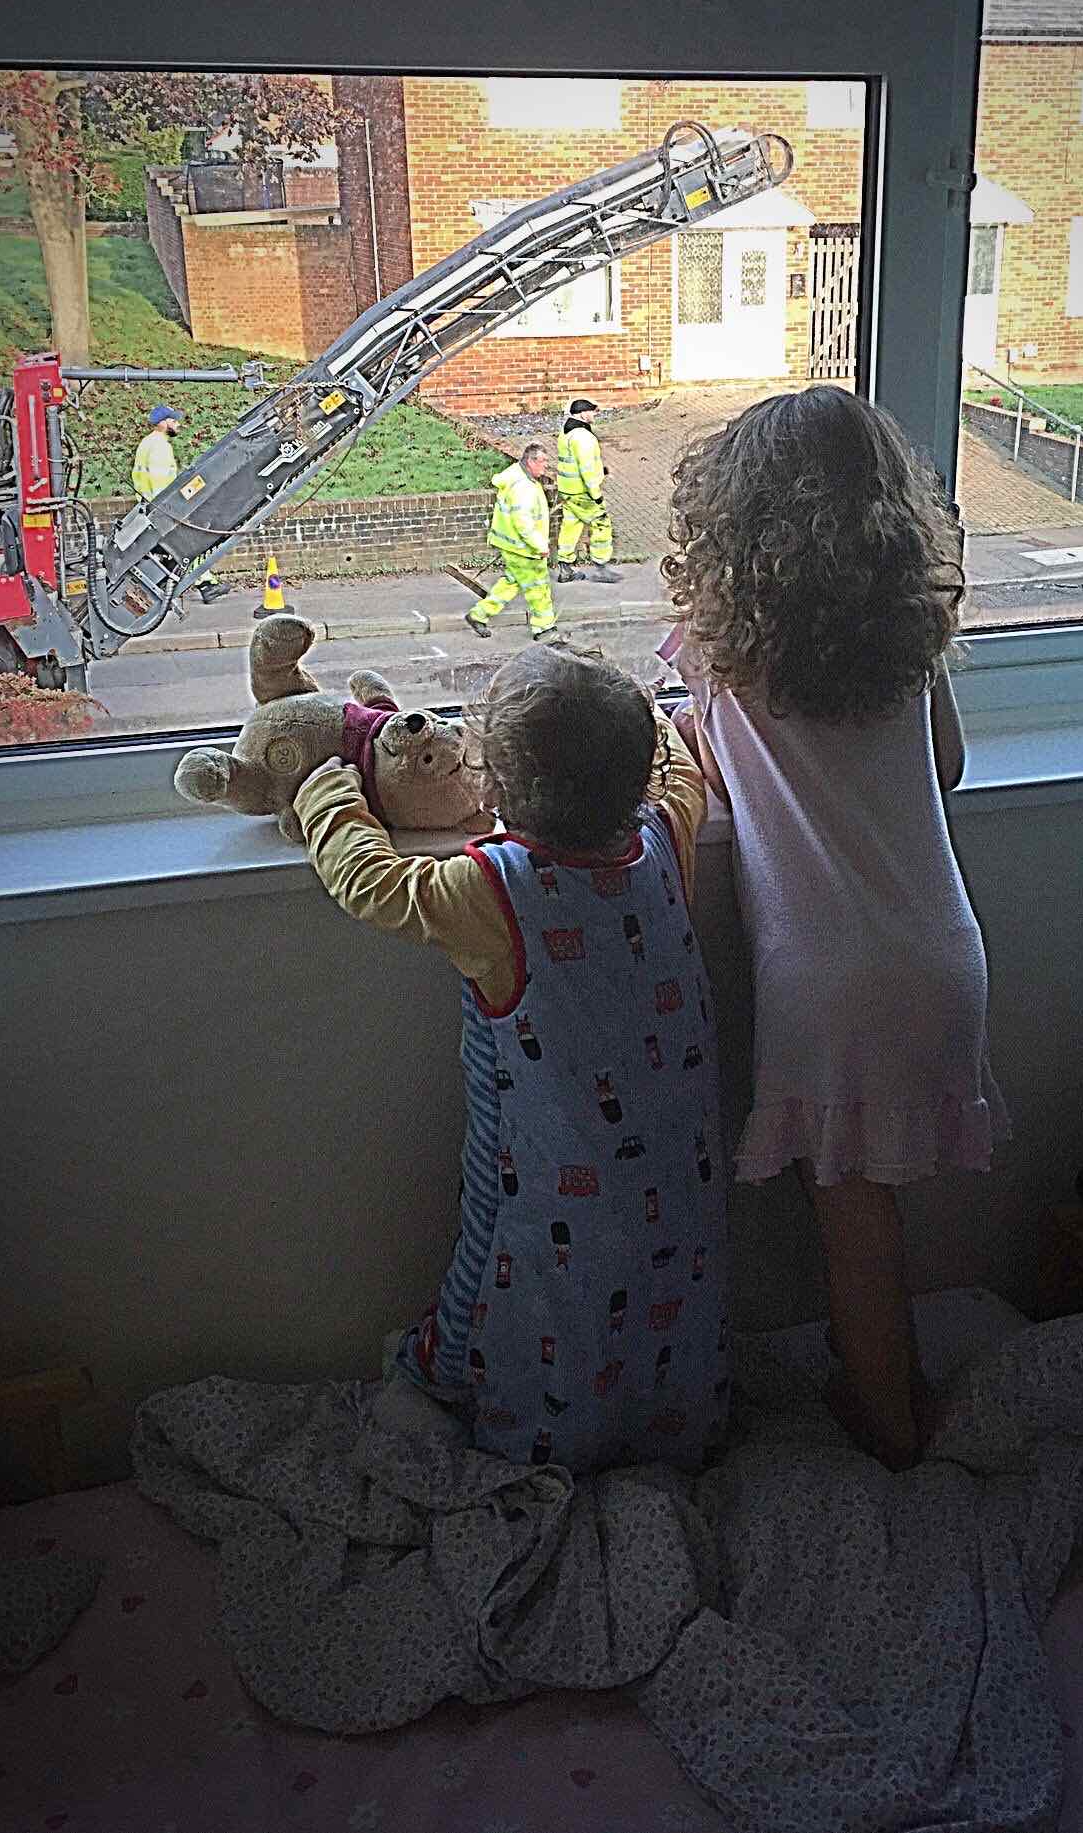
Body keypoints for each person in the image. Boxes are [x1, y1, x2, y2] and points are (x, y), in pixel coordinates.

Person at [659, 386, 1007, 1473]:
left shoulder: (719, 659)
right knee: (883, 1204)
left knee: (852, 1227)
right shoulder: (912, 652)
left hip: (826, 978)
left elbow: (711, 779)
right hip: (942, 953)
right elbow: (943, 770)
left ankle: (888, 1425)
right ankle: (899, 1377)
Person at [294, 643, 727, 1474]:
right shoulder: (667, 837)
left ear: (488, 788)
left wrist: (327, 790)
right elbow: (683, 778)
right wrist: (650, 720)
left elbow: (372, 883)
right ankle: (667, 1434)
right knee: (666, 1304)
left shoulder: (492, 888)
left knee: (504, 1281)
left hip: (545, 1179)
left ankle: (456, 1386)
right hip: (676, 1181)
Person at [132, 406, 228, 603]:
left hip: (150, 506)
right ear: (163, 422)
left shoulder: (147, 443)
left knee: (174, 549)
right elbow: (161, 482)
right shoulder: (160, 446)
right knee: (192, 542)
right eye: (173, 421)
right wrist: (174, 508)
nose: (178, 424)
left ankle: (204, 584)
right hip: (164, 508)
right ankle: (206, 585)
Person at [466, 442, 557, 641]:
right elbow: (523, 523)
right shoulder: (523, 488)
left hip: (512, 544)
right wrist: (540, 546)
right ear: (531, 461)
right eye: (543, 462)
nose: (545, 467)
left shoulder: (516, 475)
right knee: (538, 587)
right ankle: (544, 628)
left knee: (511, 582)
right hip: (523, 548)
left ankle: (479, 614)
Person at [554, 396, 619, 584]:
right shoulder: (583, 437)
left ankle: (565, 568)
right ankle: (601, 567)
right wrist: (596, 495)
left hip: (567, 490)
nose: (594, 414)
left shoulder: (565, 432)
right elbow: (586, 468)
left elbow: (572, 462)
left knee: (571, 526)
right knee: (601, 523)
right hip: (583, 492)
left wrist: (601, 470)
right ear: (583, 414)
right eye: (591, 411)